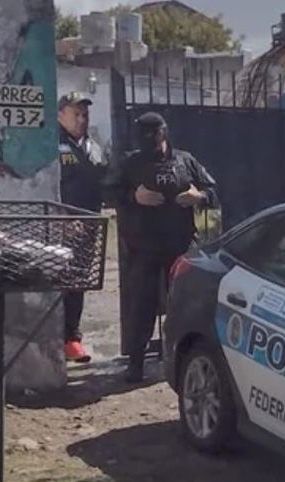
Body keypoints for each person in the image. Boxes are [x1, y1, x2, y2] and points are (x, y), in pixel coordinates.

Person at [103, 112, 218, 383]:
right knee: (141, 306)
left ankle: (179, 358)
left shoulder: (184, 160)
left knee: (184, 304)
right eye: (143, 135)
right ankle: (136, 362)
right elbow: (108, 193)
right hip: (143, 247)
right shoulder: (130, 163)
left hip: (180, 245)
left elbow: (212, 192)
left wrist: (198, 196)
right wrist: (134, 196)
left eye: (153, 134)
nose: (148, 140)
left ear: (163, 133)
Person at [57, 91, 108, 364]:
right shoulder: (51, 145)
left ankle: (71, 338)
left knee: (78, 282)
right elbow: (46, 186)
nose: (81, 119)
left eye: (85, 115)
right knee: (57, 281)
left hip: (88, 226)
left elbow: (105, 184)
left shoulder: (94, 148)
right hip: (59, 228)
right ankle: (56, 336)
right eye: (75, 114)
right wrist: (62, 217)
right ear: (60, 115)